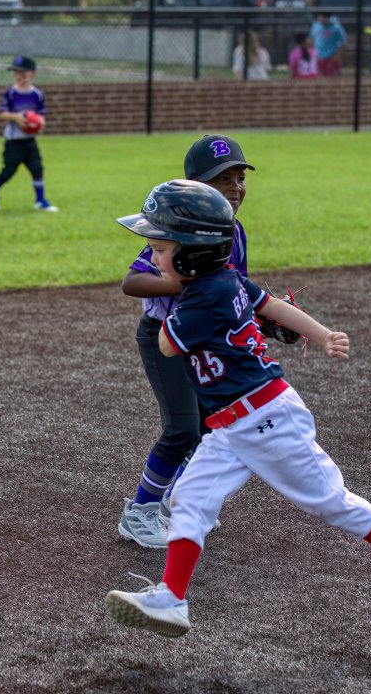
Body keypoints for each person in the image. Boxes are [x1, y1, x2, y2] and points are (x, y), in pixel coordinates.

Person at [105, 180, 371, 637]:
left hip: (267, 419)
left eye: (160, 249)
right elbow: (273, 306)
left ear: (193, 255)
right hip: (229, 425)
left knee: (332, 504)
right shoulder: (223, 280)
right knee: (191, 499)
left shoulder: (204, 295)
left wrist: (176, 288)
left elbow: (165, 344)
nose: (154, 259)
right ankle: (171, 599)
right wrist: (321, 334)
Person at [117, 135, 254, 548]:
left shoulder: (234, 232)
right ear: (196, 188)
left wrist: (260, 316)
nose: (234, 188)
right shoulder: (180, 232)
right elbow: (132, 281)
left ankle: (180, 503)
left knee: (210, 427)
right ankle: (140, 513)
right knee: (181, 429)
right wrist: (184, 282)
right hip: (164, 337)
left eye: (239, 178)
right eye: (221, 179)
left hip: (204, 341)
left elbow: (234, 288)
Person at [0, 55, 57, 213]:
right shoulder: (11, 93)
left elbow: (41, 115)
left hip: (30, 140)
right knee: (9, 170)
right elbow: (2, 113)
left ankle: (40, 200)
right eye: (15, 73)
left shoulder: (37, 94)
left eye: (22, 73)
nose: (18, 76)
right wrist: (17, 117)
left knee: (37, 169)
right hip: (14, 141)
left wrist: (39, 123)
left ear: (32, 74)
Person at [310, 12, 347, 76]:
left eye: (324, 17)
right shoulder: (315, 26)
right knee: (319, 78)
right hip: (319, 58)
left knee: (333, 79)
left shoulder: (336, 28)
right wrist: (314, 54)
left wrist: (337, 55)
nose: (322, 19)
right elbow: (311, 39)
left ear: (329, 18)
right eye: (320, 17)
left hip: (331, 58)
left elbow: (343, 42)